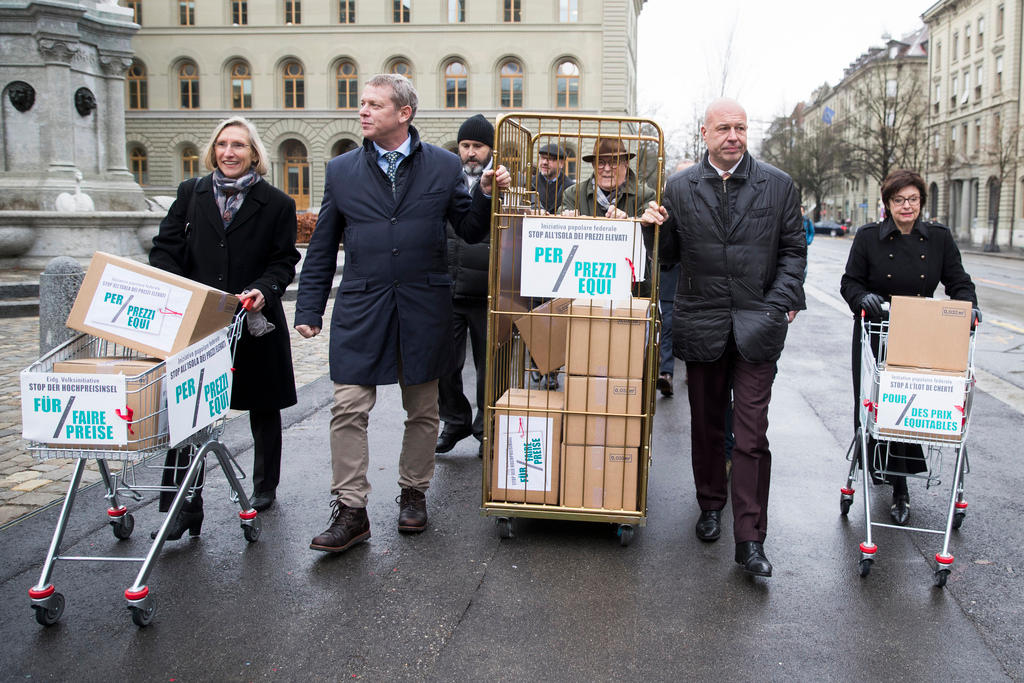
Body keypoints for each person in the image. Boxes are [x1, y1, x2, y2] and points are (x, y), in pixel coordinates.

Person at [294, 74, 510, 554]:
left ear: (404, 113)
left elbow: (471, 228)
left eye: (374, 104)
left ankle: (414, 493)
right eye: (362, 103)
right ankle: (351, 511)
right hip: (362, 305)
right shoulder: (342, 170)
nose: (363, 111)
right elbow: (324, 244)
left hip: (423, 305)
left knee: (424, 408)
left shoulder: (442, 165)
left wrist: (489, 194)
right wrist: (309, 306)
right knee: (348, 406)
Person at [641, 98, 806, 578]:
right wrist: (655, 229)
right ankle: (711, 503)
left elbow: (794, 250)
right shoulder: (679, 187)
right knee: (708, 427)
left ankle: (751, 540)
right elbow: (666, 259)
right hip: (702, 323)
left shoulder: (777, 185)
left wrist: (777, 304)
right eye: (723, 128)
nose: (733, 135)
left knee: (752, 436)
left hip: (759, 326)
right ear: (704, 133)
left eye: (740, 127)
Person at [150, 115, 300, 536]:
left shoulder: (277, 204)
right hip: (200, 321)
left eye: (238, 145)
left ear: (254, 153)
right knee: (189, 411)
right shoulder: (191, 194)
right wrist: (180, 290)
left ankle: (264, 486)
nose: (229, 152)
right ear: (213, 151)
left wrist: (263, 290)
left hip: (253, 319)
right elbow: (165, 249)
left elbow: (283, 260)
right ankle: (184, 506)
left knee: (263, 407)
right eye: (222, 145)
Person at [840, 169, 978, 526]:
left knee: (910, 408)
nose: (907, 206)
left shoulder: (937, 238)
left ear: (921, 203)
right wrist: (863, 298)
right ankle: (887, 475)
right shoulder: (869, 237)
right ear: (887, 203)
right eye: (899, 199)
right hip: (878, 330)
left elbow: (958, 281)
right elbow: (849, 282)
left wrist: (967, 307)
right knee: (882, 410)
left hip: (920, 332)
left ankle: (900, 486)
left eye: (913, 199)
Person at [435, 114, 495, 458]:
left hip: (487, 291)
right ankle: (454, 421)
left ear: (490, 149)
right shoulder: (445, 178)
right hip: (449, 288)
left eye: (478, 146)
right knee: (446, 364)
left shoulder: (503, 180)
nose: (471, 153)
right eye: (466, 146)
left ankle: (486, 428)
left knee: (489, 367)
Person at [560, 137, 656, 219]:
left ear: (626, 163)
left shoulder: (645, 196)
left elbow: (650, 235)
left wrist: (628, 224)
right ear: (593, 165)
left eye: (614, 162)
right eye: (600, 162)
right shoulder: (573, 195)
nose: (607, 169)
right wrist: (566, 220)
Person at [533, 143, 573, 214]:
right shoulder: (530, 184)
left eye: (550, 159)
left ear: (561, 163)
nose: (544, 162)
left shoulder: (571, 187)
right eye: (542, 158)